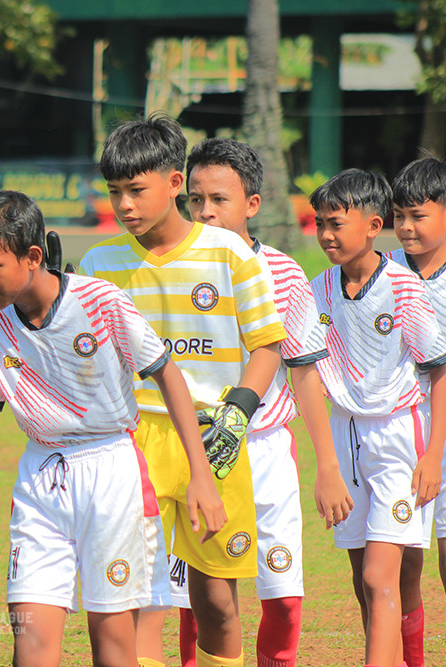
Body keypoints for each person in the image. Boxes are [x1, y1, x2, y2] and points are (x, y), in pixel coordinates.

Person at [0, 190, 224, 667]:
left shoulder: (99, 301)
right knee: (30, 639)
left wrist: (200, 473)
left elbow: (167, 374)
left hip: (112, 471)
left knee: (113, 641)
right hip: (41, 478)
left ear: (33, 256)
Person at [80, 114, 287, 667]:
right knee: (141, 595)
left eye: (136, 190)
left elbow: (268, 344)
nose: (124, 205)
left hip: (213, 441)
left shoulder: (230, 254)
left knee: (216, 599)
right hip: (131, 443)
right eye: (115, 192)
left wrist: (239, 412)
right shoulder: (100, 264)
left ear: (175, 183)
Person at [180, 137, 353, 667]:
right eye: (195, 199)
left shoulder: (283, 274)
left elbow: (305, 376)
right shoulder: (172, 270)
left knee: (282, 597)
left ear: (252, 204)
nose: (205, 211)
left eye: (219, 199)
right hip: (194, 450)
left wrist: (327, 466)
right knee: (200, 596)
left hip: (266, 452)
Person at [310, 169, 446, 667]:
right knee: (364, 573)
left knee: (383, 574)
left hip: (403, 435)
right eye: (320, 223)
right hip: (346, 435)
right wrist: (325, 465)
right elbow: (305, 371)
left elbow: (437, 368)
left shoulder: (403, 288)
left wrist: (432, 455)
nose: (325, 234)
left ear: (371, 225)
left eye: (336, 223)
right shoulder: (316, 289)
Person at [385, 158, 446, 667]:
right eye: (399, 215)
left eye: (418, 216)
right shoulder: (384, 273)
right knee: (404, 564)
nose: (406, 226)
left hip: (443, 438)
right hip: (403, 435)